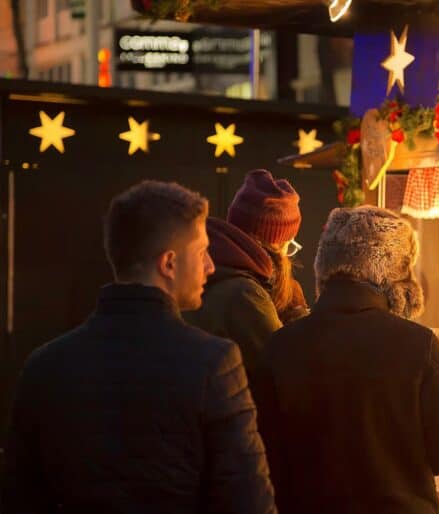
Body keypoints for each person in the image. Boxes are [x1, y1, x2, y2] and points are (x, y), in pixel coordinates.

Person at [1, 181, 276, 514]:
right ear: (169, 263)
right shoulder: (213, 363)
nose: (211, 266)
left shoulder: (44, 366)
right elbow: (248, 500)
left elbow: (19, 497)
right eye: (203, 251)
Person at [256, 206, 439, 514]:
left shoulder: (280, 346)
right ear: (396, 273)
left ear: (326, 267)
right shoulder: (418, 345)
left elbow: (265, 456)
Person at [185, 169, 308, 392]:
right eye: (288, 245)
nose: (289, 256)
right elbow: (291, 372)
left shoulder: (214, 270)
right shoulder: (245, 295)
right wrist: (298, 317)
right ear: (273, 245)